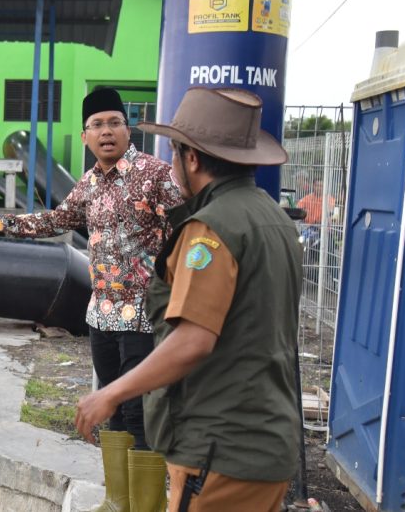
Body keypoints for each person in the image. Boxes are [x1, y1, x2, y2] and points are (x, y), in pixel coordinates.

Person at [74, 87, 302, 511]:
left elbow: (193, 340)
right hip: (270, 442)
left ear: (192, 158)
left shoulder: (211, 229)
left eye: (176, 150)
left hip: (220, 449)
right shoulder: (274, 218)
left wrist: (111, 394)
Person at [0, 88, 181, 455]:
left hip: (144, 316)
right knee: (113, 411)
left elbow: (187, 230)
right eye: (97, 125)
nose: (107, 132)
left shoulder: (155, 174)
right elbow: (55, 220)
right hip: (101, 316)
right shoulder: (89, 183)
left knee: (140, 413)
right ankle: (118, 499)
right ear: (85, 136)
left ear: (128, 130)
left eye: (114, 123)